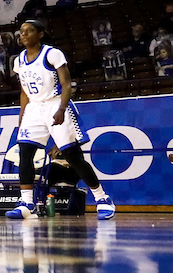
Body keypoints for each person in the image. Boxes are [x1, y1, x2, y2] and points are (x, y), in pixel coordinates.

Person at [6, 20, 115, 220]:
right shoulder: (19, 60)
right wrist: (22, 114)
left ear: (40, 34)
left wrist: (62, 108)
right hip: (34, 107)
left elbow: (66, 84)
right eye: (21, 32)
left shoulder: (51, 54)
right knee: (25, 152)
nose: (24, 35)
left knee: (73, 157)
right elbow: (23, 90)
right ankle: (27, 203)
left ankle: (102, 198)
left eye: (29, 31)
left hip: (56, 104)